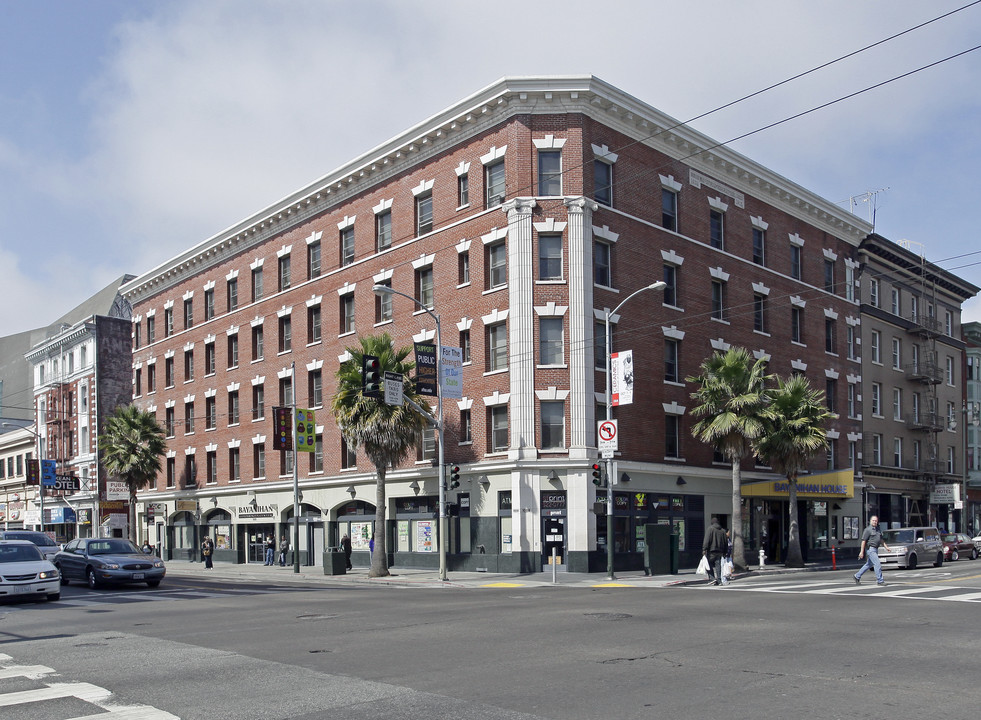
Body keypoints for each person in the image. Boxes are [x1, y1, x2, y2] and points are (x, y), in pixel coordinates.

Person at [854, 515, 891, 586]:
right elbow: (863, 541)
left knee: (869, 564)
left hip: (876, 549)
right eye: (873, 520)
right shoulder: (867, 530)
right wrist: (861, 552)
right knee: (877, 564)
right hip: (871, 549)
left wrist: (886, 547)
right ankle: (880, 581)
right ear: (870, 521)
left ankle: (857, 576)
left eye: (876, 521)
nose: (875, 522)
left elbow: (881, 540)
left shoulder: (878, 529)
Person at [702, 516, 729, 586]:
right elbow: (726, 542)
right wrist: (725, 552)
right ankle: (719, 580)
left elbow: (706, 540)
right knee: (718, 566)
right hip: (720, 551)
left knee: (708, 565)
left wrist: (704, 549)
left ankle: (712, 578)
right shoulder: (723, 531)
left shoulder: (710, 529)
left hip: (711, 551)